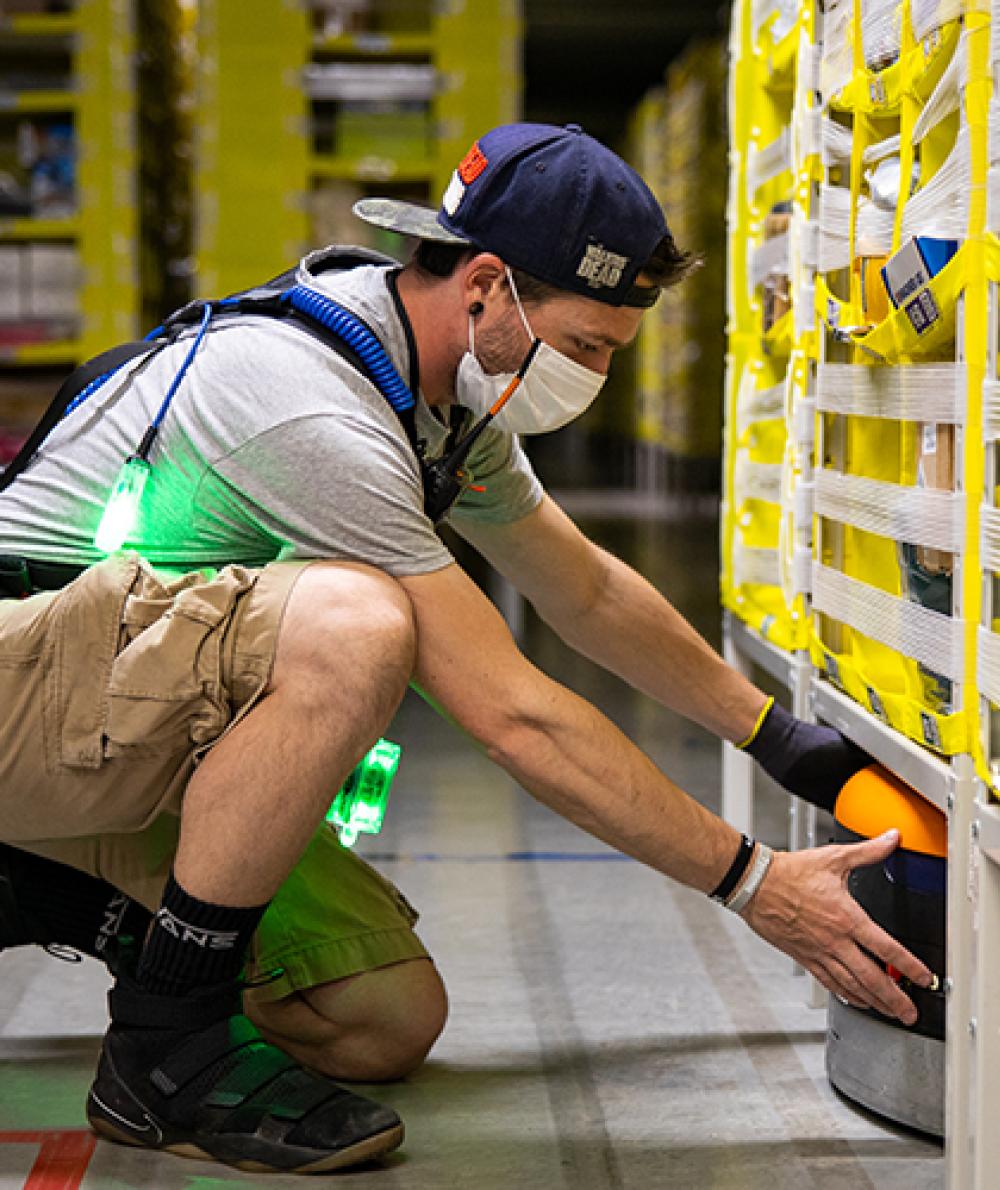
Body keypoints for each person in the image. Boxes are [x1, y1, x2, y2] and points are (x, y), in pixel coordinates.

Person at [0, 122, 932, 1175]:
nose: (595, 376)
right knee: (356, 625)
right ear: (487, 284)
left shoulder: (436, 399)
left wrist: (779, 739)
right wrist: (753, 879)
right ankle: (162, 1055)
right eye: (586, 345)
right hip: (24, 690)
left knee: (380, 1019)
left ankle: (42, 879)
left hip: (125, 724)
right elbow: (513, 713)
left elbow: (581, 587)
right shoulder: (310, 400)